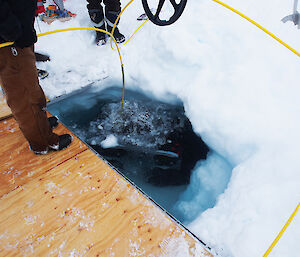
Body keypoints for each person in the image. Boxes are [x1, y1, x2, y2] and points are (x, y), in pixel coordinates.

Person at [0, 0, 72, 155]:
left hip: (19, 32)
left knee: (31, 86)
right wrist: (11, 29)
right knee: (23, 95)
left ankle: (40, 125)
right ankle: (42, 142)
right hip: (9, 40)